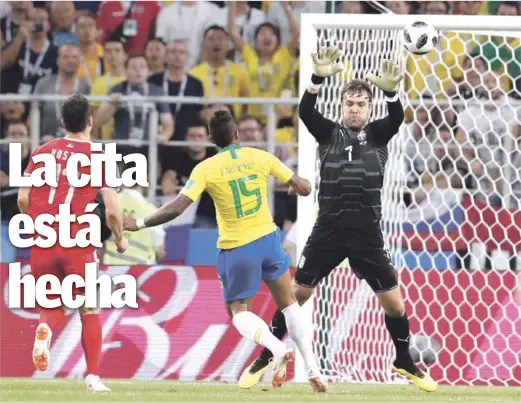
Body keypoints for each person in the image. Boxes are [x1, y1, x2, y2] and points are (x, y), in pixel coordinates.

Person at [239, 45, 438, 393]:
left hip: (366, 234)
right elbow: (304, 110)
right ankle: (266, 355)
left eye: (361, 104)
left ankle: (404, 360)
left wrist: (391, 93)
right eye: (350, 103)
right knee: (294, 296)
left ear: (369, 108)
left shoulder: (379, 133)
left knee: (394, 303)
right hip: (328, 230)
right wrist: (316, 79)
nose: (355, 108)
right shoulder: (328, 132)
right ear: (341, 106)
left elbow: (396, 118)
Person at [123, 110, 328, 392]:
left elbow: (177, 207)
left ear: (210, 139)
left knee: (238, 311)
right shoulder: (260, 157)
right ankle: (313, 368)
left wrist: (139, 222)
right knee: (289, 303)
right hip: (269, 240)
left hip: (237, 247)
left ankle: (276, 348)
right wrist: (296, 187)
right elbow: (304, 187)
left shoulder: (206, 168)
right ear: (237, 135)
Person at [18, 94, 127, 392]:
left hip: (43, 242)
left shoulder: (40, 152)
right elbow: (114, 212)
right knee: (88, 308)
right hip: (77, 241)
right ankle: (93, 377)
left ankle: (45, 330)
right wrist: (120, 239)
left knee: (53, 302)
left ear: (63, 122)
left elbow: (22, 198)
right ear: (91, 121)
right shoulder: (100, 158)